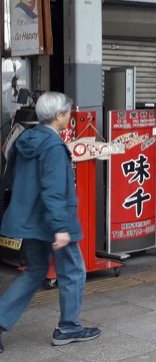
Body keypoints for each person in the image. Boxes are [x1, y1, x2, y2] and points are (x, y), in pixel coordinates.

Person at [0, 92, 101, 353]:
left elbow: (9, 178)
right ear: (58, 116)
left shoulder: (24, 139)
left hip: (28, 219)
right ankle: (68, 327)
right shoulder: (54, 147)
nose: (70, 115)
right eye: (67, 112)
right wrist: (61, 228)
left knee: (35, 271)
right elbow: (54, 190)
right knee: (73, 270)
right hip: (52, 221)